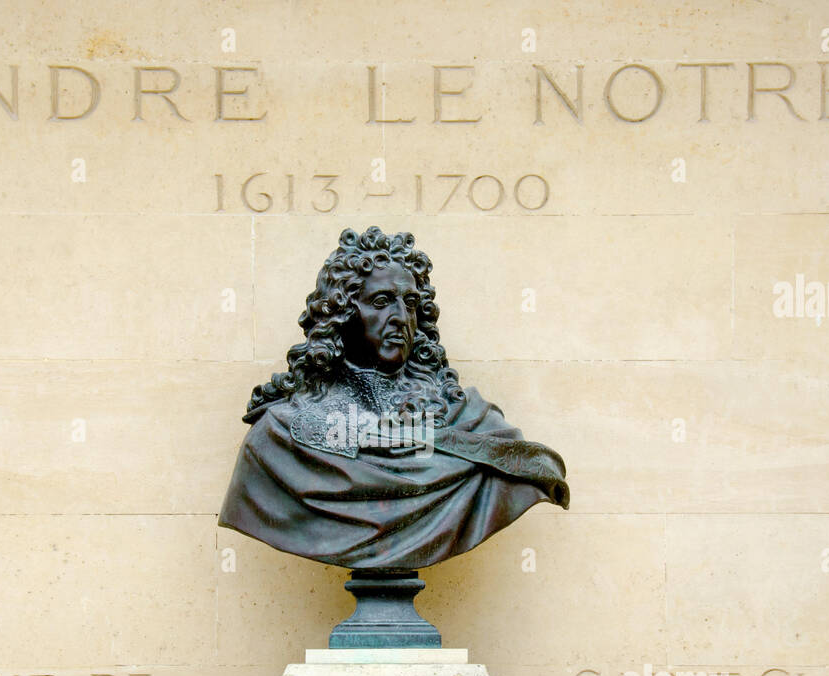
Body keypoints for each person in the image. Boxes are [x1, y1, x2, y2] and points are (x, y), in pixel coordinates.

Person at [219, 226, 569, 570]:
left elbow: (532, 466)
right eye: (381, 302)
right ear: (341, 315)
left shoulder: (470, 421)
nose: (401, 318)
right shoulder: (276, 440)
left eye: (411, 303)